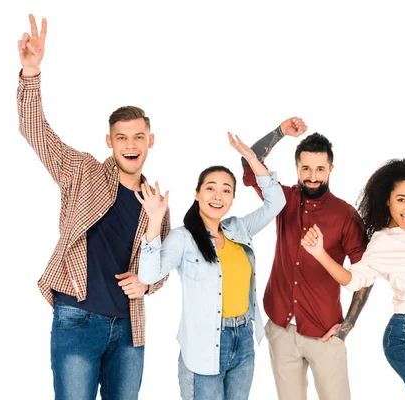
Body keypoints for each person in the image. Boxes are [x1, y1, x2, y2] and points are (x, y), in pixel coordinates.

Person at [17, 15, 170, 400]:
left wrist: (149, 283)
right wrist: (30, 73)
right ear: (110, 141)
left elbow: (163, 262)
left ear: (150, 140)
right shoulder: (83, 171)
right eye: (122, 138)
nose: (130, 145)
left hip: (129, 328)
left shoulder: (155, 202)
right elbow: (38, 135)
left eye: (138, 137)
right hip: (77, 318)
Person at [301, 117, 405, 399]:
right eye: (401, 199)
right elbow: (355, 280)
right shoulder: (384, 240)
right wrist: (320, 253)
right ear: (387, 199)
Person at [138, 133, 286, 399]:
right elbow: (148, 275)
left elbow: (277, 202)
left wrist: (252, 159)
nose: (218, 196)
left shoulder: (240, 228)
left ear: (232, 199)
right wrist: (154, 220)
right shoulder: (182, 238)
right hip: (204, 346)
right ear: (197, 194)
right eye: (210, 188)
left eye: (226, 190)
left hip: (243, 340)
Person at [242, 118, 373, 400]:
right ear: (297, 168)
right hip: (280, 328)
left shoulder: (346, 215)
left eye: (320, 169)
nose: (312, 175)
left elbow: (366, 272)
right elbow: (249, 164)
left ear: (331, 169)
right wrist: (280, 132)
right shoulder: (282, 199)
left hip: (325, 333)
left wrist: (347, 326)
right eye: (305, 168)